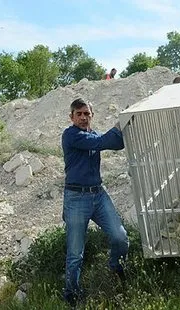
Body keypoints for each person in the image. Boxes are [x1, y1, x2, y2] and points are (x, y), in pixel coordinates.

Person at [61, 98, 129, 307]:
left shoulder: (92, 134)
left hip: (98, 195)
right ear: (71, 117)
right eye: (79, 114)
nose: (83, 117)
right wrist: (120, 122)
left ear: (92, 115)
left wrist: (128, 123)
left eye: (86, 114)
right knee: (75, 253)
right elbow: (102, 142)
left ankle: (115, 267)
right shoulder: (71, 135)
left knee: (120, 237)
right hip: (76, 198)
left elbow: (116, 144)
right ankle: (72, 294)